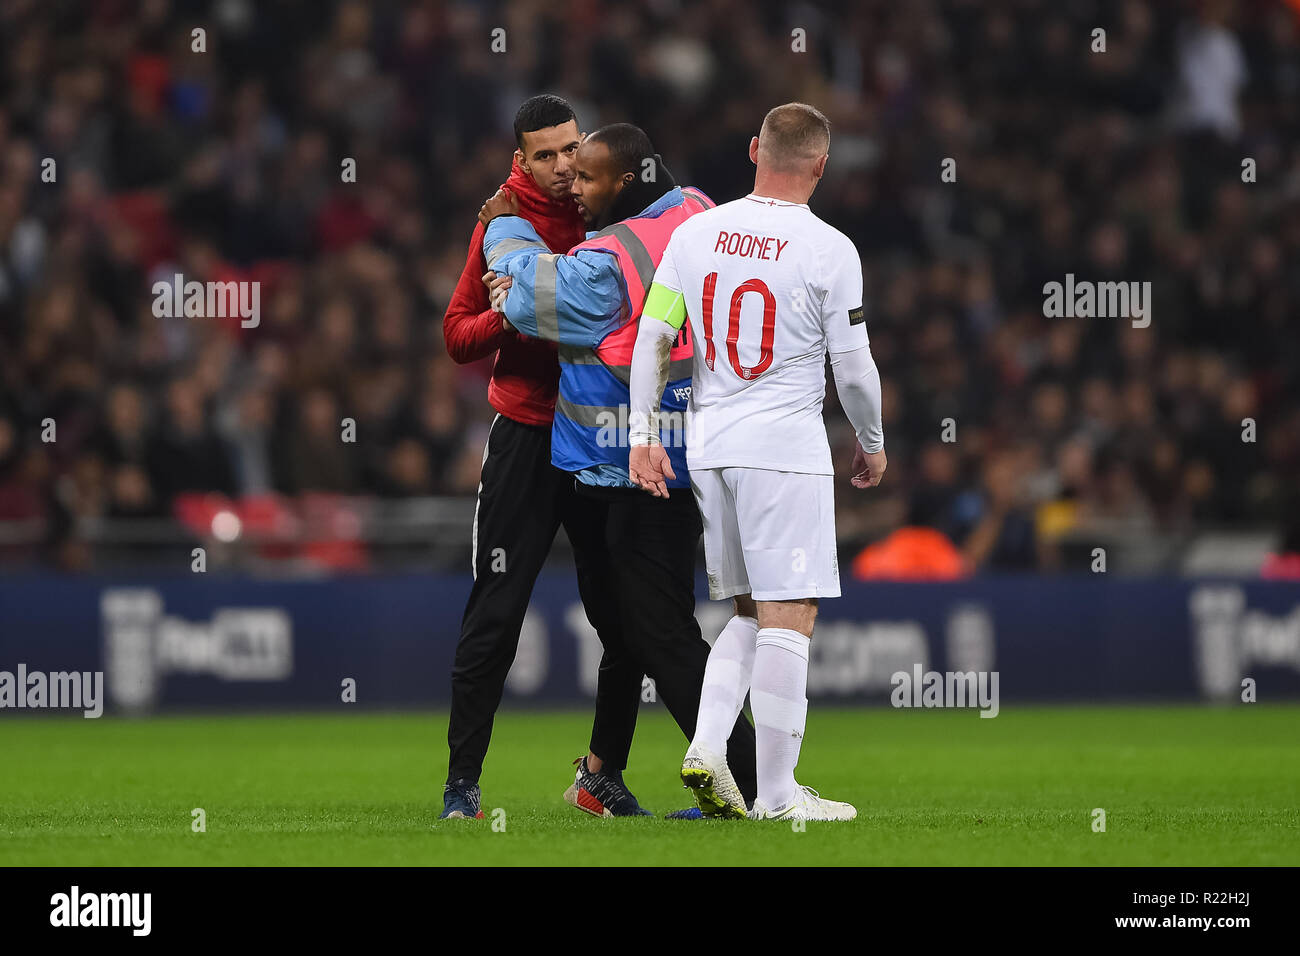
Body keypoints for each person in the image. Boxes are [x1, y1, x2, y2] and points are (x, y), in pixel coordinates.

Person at [482, 123, 760, 816]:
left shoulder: (611, 259)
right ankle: (602, 776)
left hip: (631, 472)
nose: (574, 186)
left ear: (628, 180)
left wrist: (501, 234)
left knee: (658, 635)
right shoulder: (696, 209)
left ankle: (751, 782)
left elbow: (532, 298)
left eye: (589, 177)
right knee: (627, 633)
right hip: (684, 459)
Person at [626, 103, 888, 821]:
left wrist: (644, 435)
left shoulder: (694, 233)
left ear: (754, 150)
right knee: (790, 613)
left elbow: (653, 337)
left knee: (747, 609)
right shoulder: (830, 249)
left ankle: (709, 745)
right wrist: (872, 439)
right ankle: (777, 795)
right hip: (783, 448)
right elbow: (856, 369)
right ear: (823, 165)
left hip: (711, 448)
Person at [440, 95, 649, 820]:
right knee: (496, 613)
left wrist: (541, 301)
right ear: (520, 162)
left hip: (601, 433)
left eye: (572, 149)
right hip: (530, 435)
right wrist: (509, 313)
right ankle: (461, 785)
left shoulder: (612, 201)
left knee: (626, 621)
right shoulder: (505, 222)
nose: (565, 168)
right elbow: (457, 334)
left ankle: (601, 775)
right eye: (548, 155)